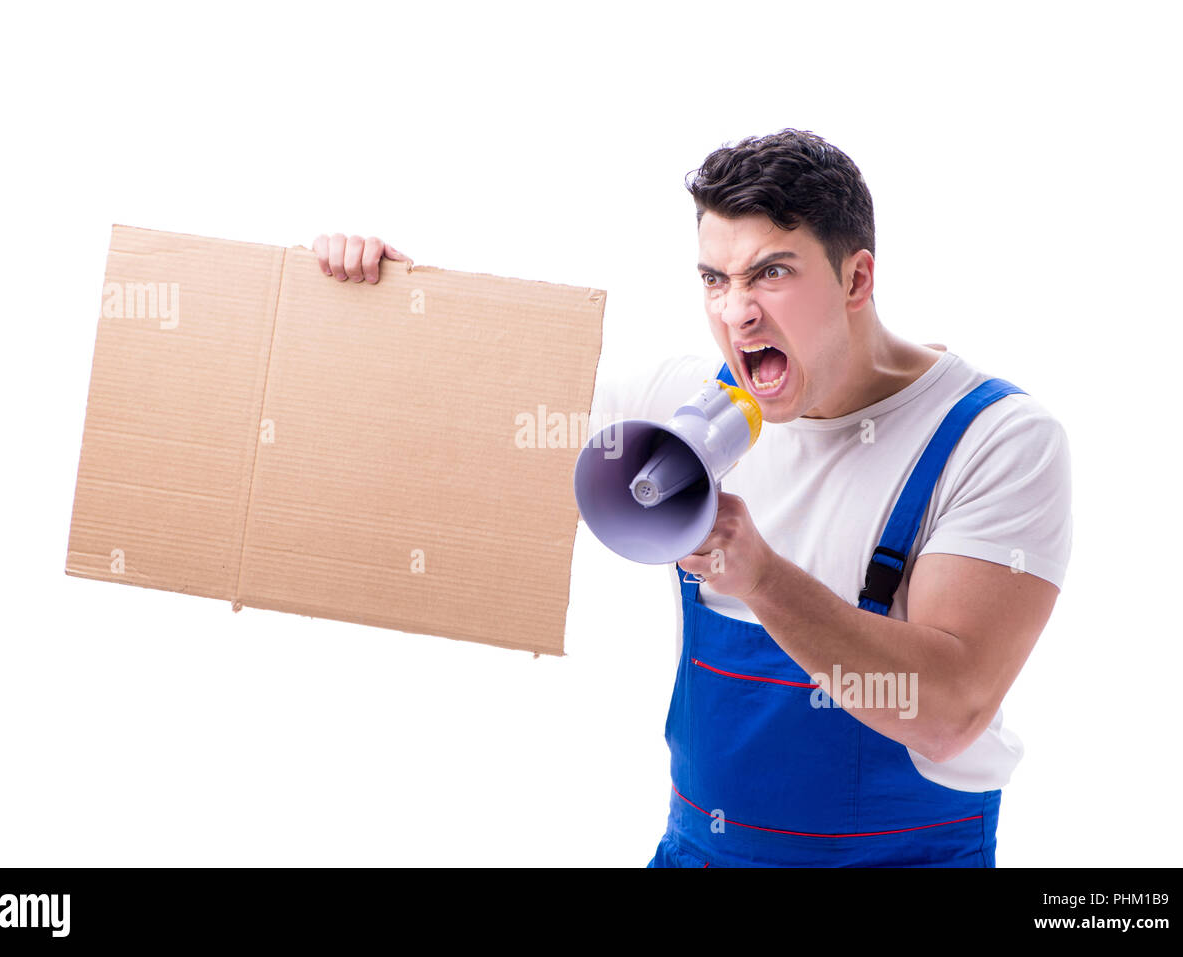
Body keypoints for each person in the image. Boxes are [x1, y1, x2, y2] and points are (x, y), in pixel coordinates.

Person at [312, 127, 1073, 867]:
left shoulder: (993, 440)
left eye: (772, 273)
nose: (736, 312)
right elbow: (476, 426)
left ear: (856, 279)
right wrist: (391, 309)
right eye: (716, 278)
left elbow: (950, 711)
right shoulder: (680, 404)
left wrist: (762, 578)